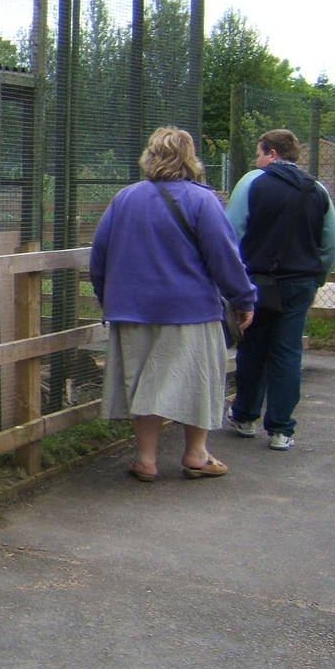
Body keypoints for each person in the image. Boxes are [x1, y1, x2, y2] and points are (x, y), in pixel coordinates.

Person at [90, 126, 256, 481]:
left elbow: (99, 255)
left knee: (143, 384)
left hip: (132, 310)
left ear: (150, 156)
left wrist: (109, 299)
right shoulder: (203, 200)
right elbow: (224, 257)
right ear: (190, 158)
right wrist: (244, 299)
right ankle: (196, 454)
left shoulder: (125, 198)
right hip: (190, 311)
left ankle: (147, 459)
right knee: (197, 380)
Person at [224, 128, 335, 451]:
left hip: (257, 282)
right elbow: (332, 247)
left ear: (272, 154)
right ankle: (280, 430)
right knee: (288, 353)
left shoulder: (252, 182)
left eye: (259, 153)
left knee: (253, 349)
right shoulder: (317, 190)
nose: (256, 159)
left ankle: (245, 416)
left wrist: (233, 283)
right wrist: (315, 279)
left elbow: (230, 234)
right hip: (300, 283)